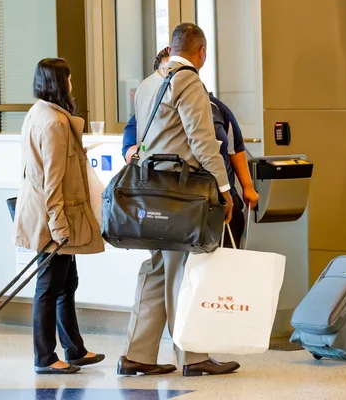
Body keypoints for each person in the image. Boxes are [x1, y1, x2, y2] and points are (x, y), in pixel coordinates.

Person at [117, 23, 240, 377]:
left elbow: (143, 139)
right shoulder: (188, 80)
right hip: (180, 195)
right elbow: (202, 141)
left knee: (157, 270)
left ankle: (136, 355)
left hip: (151, 191)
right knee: (181, 273)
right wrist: (225, 189)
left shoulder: (148, 83)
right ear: (201, 51)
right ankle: (194, 357)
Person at [12, 58, 105, 374]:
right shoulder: (54, 122)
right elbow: (52, 180)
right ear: (59, 82)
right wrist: (58, 225)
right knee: (50, 286)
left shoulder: (39, 113)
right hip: (54, 217)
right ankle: (45, 357)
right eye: (68, 78)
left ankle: (75, 349)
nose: (71, 84)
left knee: (66, 282)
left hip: (48, 214)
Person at [122, 48, 258, 246]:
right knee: (175, 266)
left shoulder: (214, 107)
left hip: (218, 195)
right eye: (167, 70)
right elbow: (130, 152)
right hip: (173, 198)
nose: (174, 76)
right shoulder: (145, 111)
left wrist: (246, 187)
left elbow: (234, 147)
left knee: (225, 265)